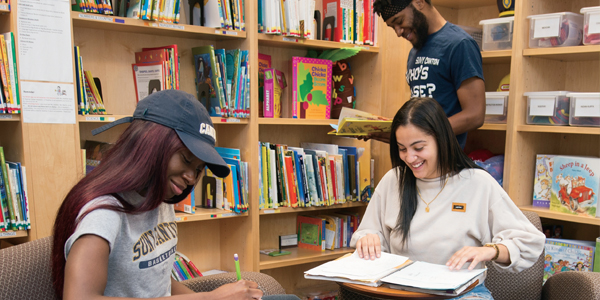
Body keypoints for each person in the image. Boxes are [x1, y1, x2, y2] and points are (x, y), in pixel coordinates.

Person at [51, 90, 300, 300]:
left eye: (199, 169)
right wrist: (209, 298)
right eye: (185, 159)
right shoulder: (104, 214)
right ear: (150, 144)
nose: (192, 178)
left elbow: (158, 285)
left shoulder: (159, 199)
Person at [350, 97, 545, 299]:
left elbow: (529, 242)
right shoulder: (393, 181)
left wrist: (491, 250)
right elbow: (370, 234)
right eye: (402, 149)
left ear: (441, 140)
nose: (409, 158)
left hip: (463, 295)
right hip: (403, 294)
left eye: (418, 148)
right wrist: (368, 238)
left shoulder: (478, 183)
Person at [367, 0, 486, 148]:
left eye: (400, 21)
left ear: (419, 2)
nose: (398, 32)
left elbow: (475, 115)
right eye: (393, 27)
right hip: (415, 160)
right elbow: (421, 118)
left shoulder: (459, 44)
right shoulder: (414, 51)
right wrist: (386, 131)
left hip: (446, 164)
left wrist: (419, 135)